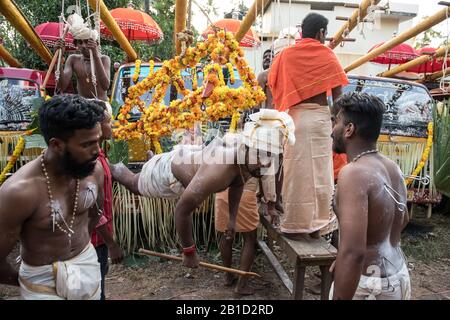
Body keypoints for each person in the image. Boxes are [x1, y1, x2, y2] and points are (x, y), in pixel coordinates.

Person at [110, 109, 295, 268]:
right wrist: (188, 251)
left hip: (185, 162)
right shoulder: (219, 171)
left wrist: (232, 220)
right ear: (247, 148)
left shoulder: (247, 160)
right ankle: (111, 168)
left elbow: (237, 183)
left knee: (158, 176)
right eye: (261, 155)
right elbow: (182, 210)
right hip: (168, 174)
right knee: (134, 184)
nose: (265, 162)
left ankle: (151, 160)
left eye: (271, 156)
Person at [0, 94, 105, 299]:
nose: (97, 151)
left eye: (98, 141)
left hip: (86, 265)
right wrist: (31, 282)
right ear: (57, 145)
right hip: (41, 280)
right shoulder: (19, 192)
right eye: (87, 144)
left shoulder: (94, 171)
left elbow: (94, 216)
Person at [268, 12, 349, 239]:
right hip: (319, 121)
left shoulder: (285, 56)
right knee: (321, 174)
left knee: (295, 172)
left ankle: (294, 225)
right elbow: (338, 96)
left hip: (293, 120)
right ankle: (318, 226)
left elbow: (273, 84)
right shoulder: (326, 54)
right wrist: (339, 121)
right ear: (321, 32)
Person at [330, 92, 411, 300]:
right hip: (397, 276)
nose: (332, 131)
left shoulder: (353, 173)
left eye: (336, 122)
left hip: (368, 286)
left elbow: (354, 254)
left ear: (349, 129)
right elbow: (403, 219)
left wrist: (346, 264)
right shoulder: (392, 167)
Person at [90, 102, 124, 300]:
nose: (112, 126)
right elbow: (93, 209)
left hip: (98, 241)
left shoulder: (100, 155)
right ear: (97, 126)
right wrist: (112, 244)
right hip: (94, 242)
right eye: (109, 122)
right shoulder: (92, 161)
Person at [56, 13, 111, 103]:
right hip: (82, 107)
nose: (84, 45)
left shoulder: (104, 59)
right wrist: (59, 57)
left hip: (101, 106)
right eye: (80, 42)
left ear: (96, 43)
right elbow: (61, 86)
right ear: (76, 45)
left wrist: (95, 55)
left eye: (86, 41)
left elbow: (105, 86)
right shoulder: (73, 59)